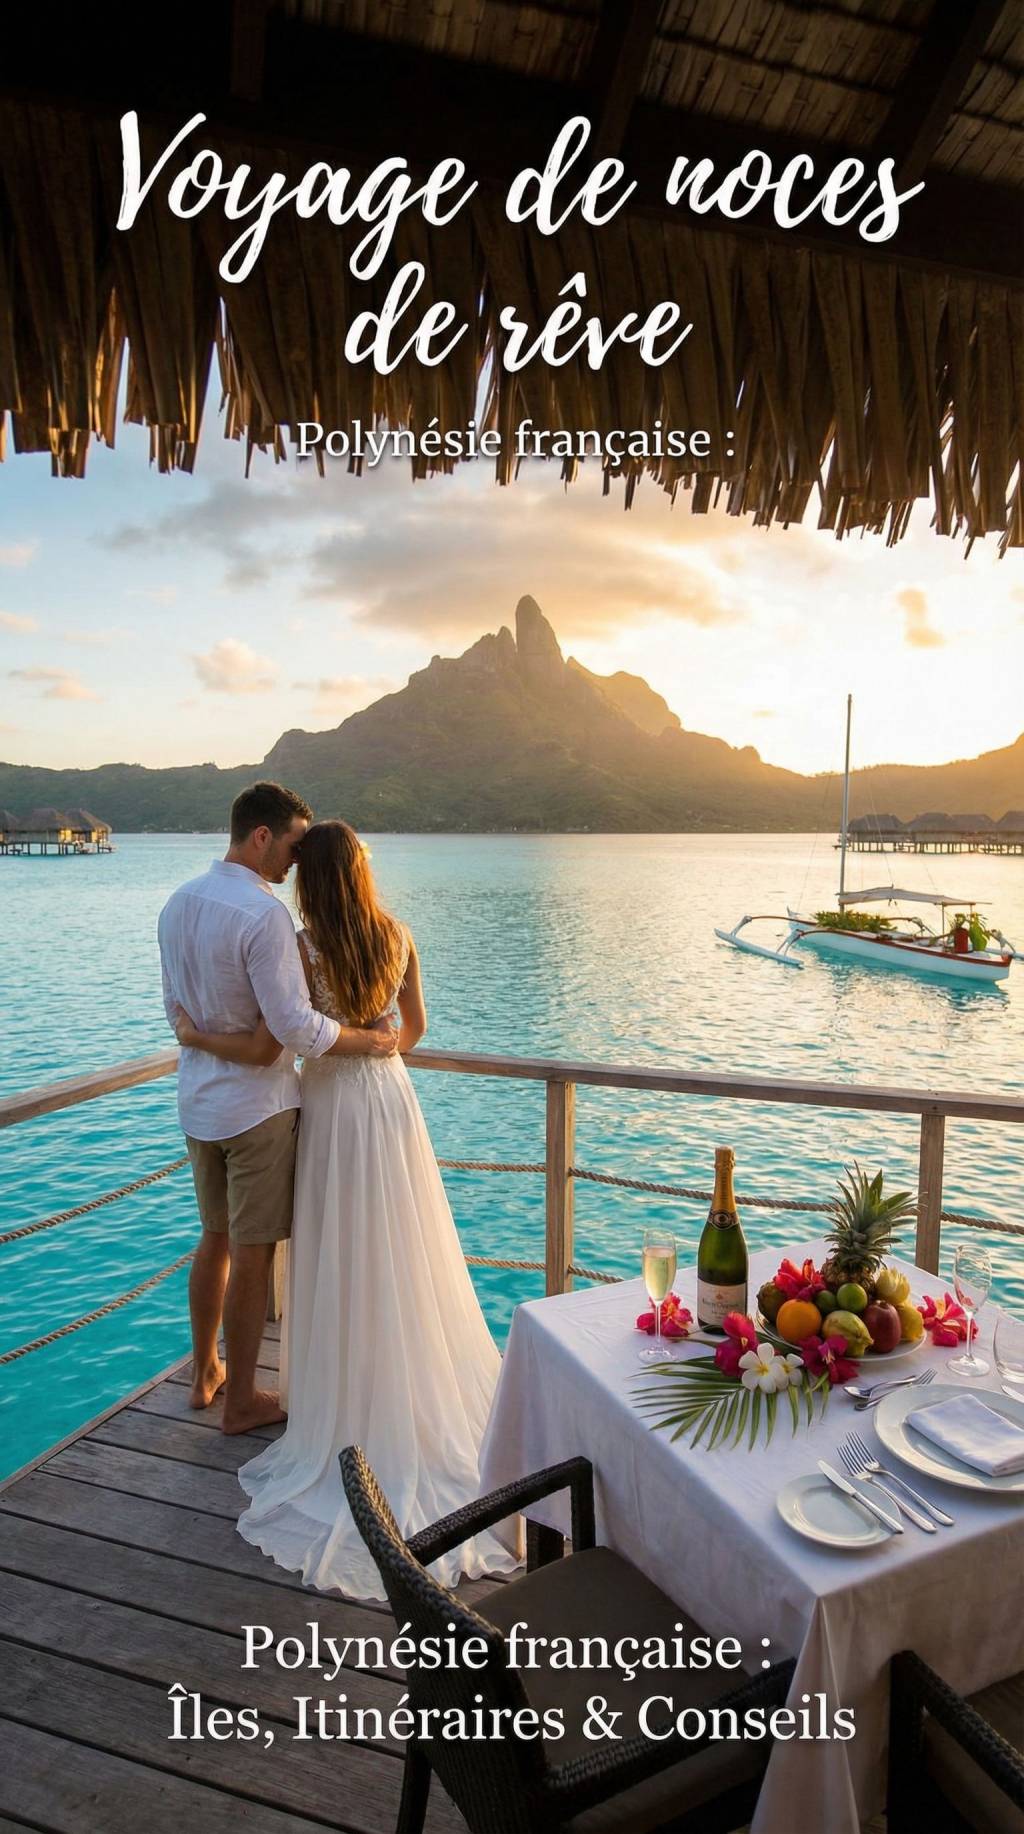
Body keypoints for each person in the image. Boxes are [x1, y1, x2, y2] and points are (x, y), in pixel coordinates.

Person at [173, 818, 521, 1599]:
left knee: (336, 1250)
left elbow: (295, 1038)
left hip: (328, 1111)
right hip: (391, 1108)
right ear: (362, 873)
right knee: (401, 1249)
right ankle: (399, 1389)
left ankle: (333, 1400)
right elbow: (415, 1032)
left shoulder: (301, 946)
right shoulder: (397, 933)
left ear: (310, 877)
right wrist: (380, 1040)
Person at [158, 783, 398, 1436]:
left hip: (198, 1104)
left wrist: (200, 1040)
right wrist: (367, 1041)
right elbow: (291, 1029)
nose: (295, 861)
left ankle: (206, 1371)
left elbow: (174, 1009)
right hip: (257, 1114)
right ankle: (241, 1402)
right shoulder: (264, 917)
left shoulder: (177, 904)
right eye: (292, 843)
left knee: (214, 1240)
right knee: (255, 1253)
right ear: (261, 836)